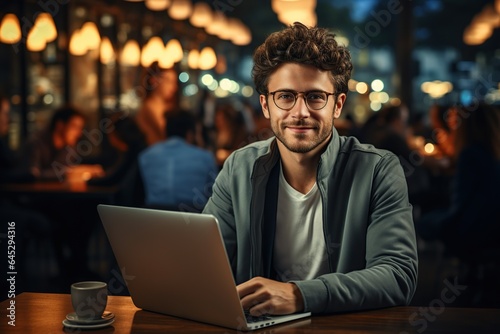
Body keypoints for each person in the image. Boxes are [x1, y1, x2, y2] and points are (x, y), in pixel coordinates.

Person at [202, 22, 418, 315]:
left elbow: (397, 276)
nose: (300, 112)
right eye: (286, 96)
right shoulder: (239, 167)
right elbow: (205, 264)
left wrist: (300, 295)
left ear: (338, 105)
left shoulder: (378, 171)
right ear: (266, 106)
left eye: (315, 97)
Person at [139, 109, 218, 212]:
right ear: (190, 134)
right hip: (193, 219)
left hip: (152, 216)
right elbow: (214, 195)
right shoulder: (205, 157)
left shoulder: (145, 156)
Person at [21, 104, 103, 181]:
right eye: (75, 127)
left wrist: (77, 171)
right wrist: (70, 172)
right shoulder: (36, 143)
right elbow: (33, 174)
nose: (79, 133)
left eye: (80, 128)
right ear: (60, 125)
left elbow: (65, 170)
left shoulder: (69, 148)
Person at [135, 61, 180, 146]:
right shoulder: (149, 108)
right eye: (169, 81)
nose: (174, 87)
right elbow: (166, 132)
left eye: (174, 82)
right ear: (154, 80)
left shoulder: (167, 106)